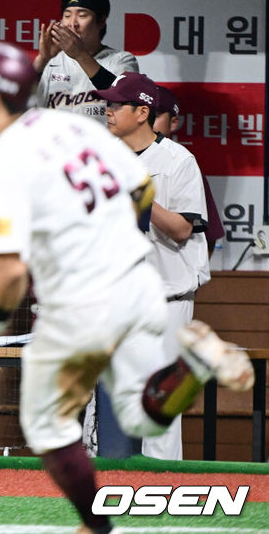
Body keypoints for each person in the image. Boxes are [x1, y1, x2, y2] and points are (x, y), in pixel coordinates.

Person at [0, 41, 253, 534]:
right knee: (143, 417)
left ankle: (97, 524)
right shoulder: (76, 129)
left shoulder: (5, 164)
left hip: (91, 298)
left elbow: (10, 275)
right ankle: (195, 363)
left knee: (49, 425)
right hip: (136, 285)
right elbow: (138, 189)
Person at [100, 71, 211, 460]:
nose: (108, 111)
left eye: (117, 105)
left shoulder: (179, 160)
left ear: (142, 112)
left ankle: (162, 495)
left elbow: (182, 229)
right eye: (108, 104)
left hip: (168, 297)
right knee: (105, 401)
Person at [33, 0, 138, 123]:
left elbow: (125, 99)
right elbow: (15, 100)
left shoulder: (121, 60)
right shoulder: (50, 61)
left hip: (100, 143)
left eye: (82, 16)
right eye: (67, 16)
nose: (72, 23)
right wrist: (43, 59)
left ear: (101, 22)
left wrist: (79, 55)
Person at [153, 85, 225, 257]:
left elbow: (209, 236)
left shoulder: (183, 163)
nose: (146, 121)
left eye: (154, 116)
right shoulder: (112, 159)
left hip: (169, 276)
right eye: (141, 113)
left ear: (174, 123)